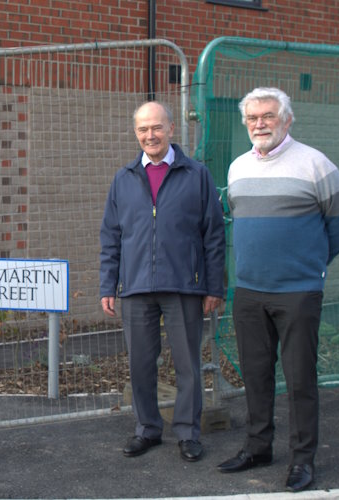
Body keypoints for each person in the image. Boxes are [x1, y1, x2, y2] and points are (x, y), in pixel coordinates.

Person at [217, 87, 339, 492]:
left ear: (287, 119)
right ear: (245, 123)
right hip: (249, 292)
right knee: (256, 376)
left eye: (268, 116)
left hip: (298, 293)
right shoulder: (237, 167)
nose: (260, 124)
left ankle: (302, 460)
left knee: (299, 380)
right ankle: (258, 447)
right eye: (253, 118)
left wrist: (309, 268)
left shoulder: (316, 165)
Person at [99, 101, 225, 463]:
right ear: (135, 133)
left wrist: (214, 286)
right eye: (143, 129)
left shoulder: (196, 174)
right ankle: (147, 430)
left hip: (184, 285)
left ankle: (187, 432)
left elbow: (213, 235)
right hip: (136, 288)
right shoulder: (123, 178)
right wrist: (109, 285)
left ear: (171, 128)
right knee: (140, 363)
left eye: (156, 127)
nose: (150, 136)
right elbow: (111, 236)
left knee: (187, 363)